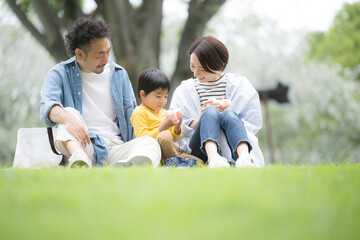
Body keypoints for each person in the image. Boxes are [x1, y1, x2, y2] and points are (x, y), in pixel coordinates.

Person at [40, 17, 161, 168]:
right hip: (84, 145)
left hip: (116, 147)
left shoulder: (119, 74)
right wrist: (67, 118)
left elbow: (132, 121)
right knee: (68, 113)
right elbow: (48, 107)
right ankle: (79, 161)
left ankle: (125, 166)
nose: (106, 59)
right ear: (79, 54)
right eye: (100, 54)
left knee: (150, 143)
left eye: (108, 51)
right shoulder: (59, 74)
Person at [170, 36, 264, 168]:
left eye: (201, 69)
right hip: (198, 149)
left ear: (219, 65)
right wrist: (200, 119)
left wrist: (227, 118)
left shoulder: (240, 85)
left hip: (232, 145)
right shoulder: (184, 90)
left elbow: (252, 123)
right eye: (192, 66)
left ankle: (244, 158)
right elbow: (176, 130)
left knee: (229, 113)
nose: (196, 73)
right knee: (210, 110)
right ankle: (213, 157)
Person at [130, 69, 202, 167]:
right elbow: (143, 139)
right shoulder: (139, 112)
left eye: (165, 97)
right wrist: (164, 126)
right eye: (158, 96)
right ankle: (177, 162)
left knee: (199, 162)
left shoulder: (163, 112)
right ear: (143, 94)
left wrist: (177, 127)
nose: (162, 101)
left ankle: (176, 162)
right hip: (155, 152)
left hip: (172, 150)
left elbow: (174, 139)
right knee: (164, 135)